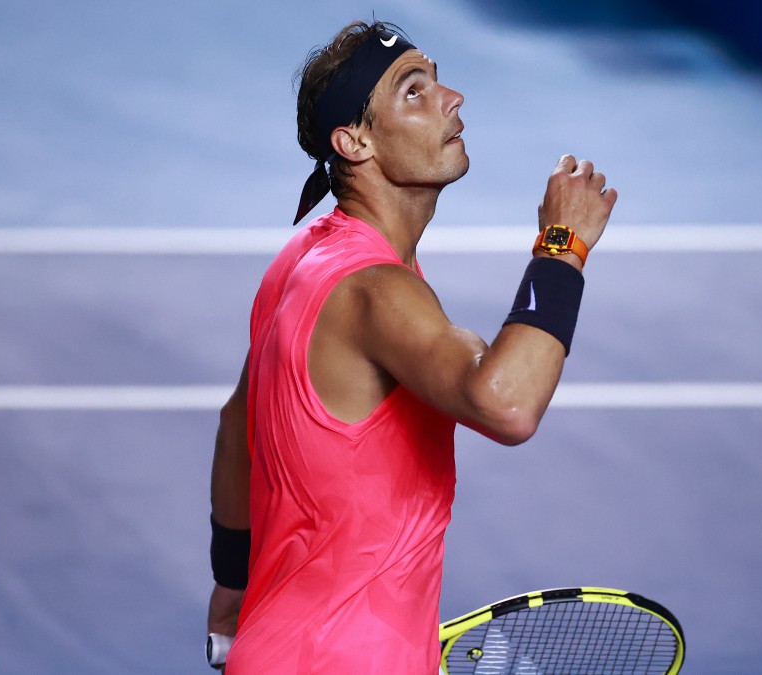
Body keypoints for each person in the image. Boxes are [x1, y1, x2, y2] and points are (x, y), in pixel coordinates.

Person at [205, 19, 616, 674]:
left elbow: (237, 427)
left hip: (276, 646)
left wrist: (231, 581)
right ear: (355, 141)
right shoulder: (375, 292)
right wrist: (562, 244)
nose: (452, 98)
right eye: (414, 91)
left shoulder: (301, 261)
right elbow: (506, 402)